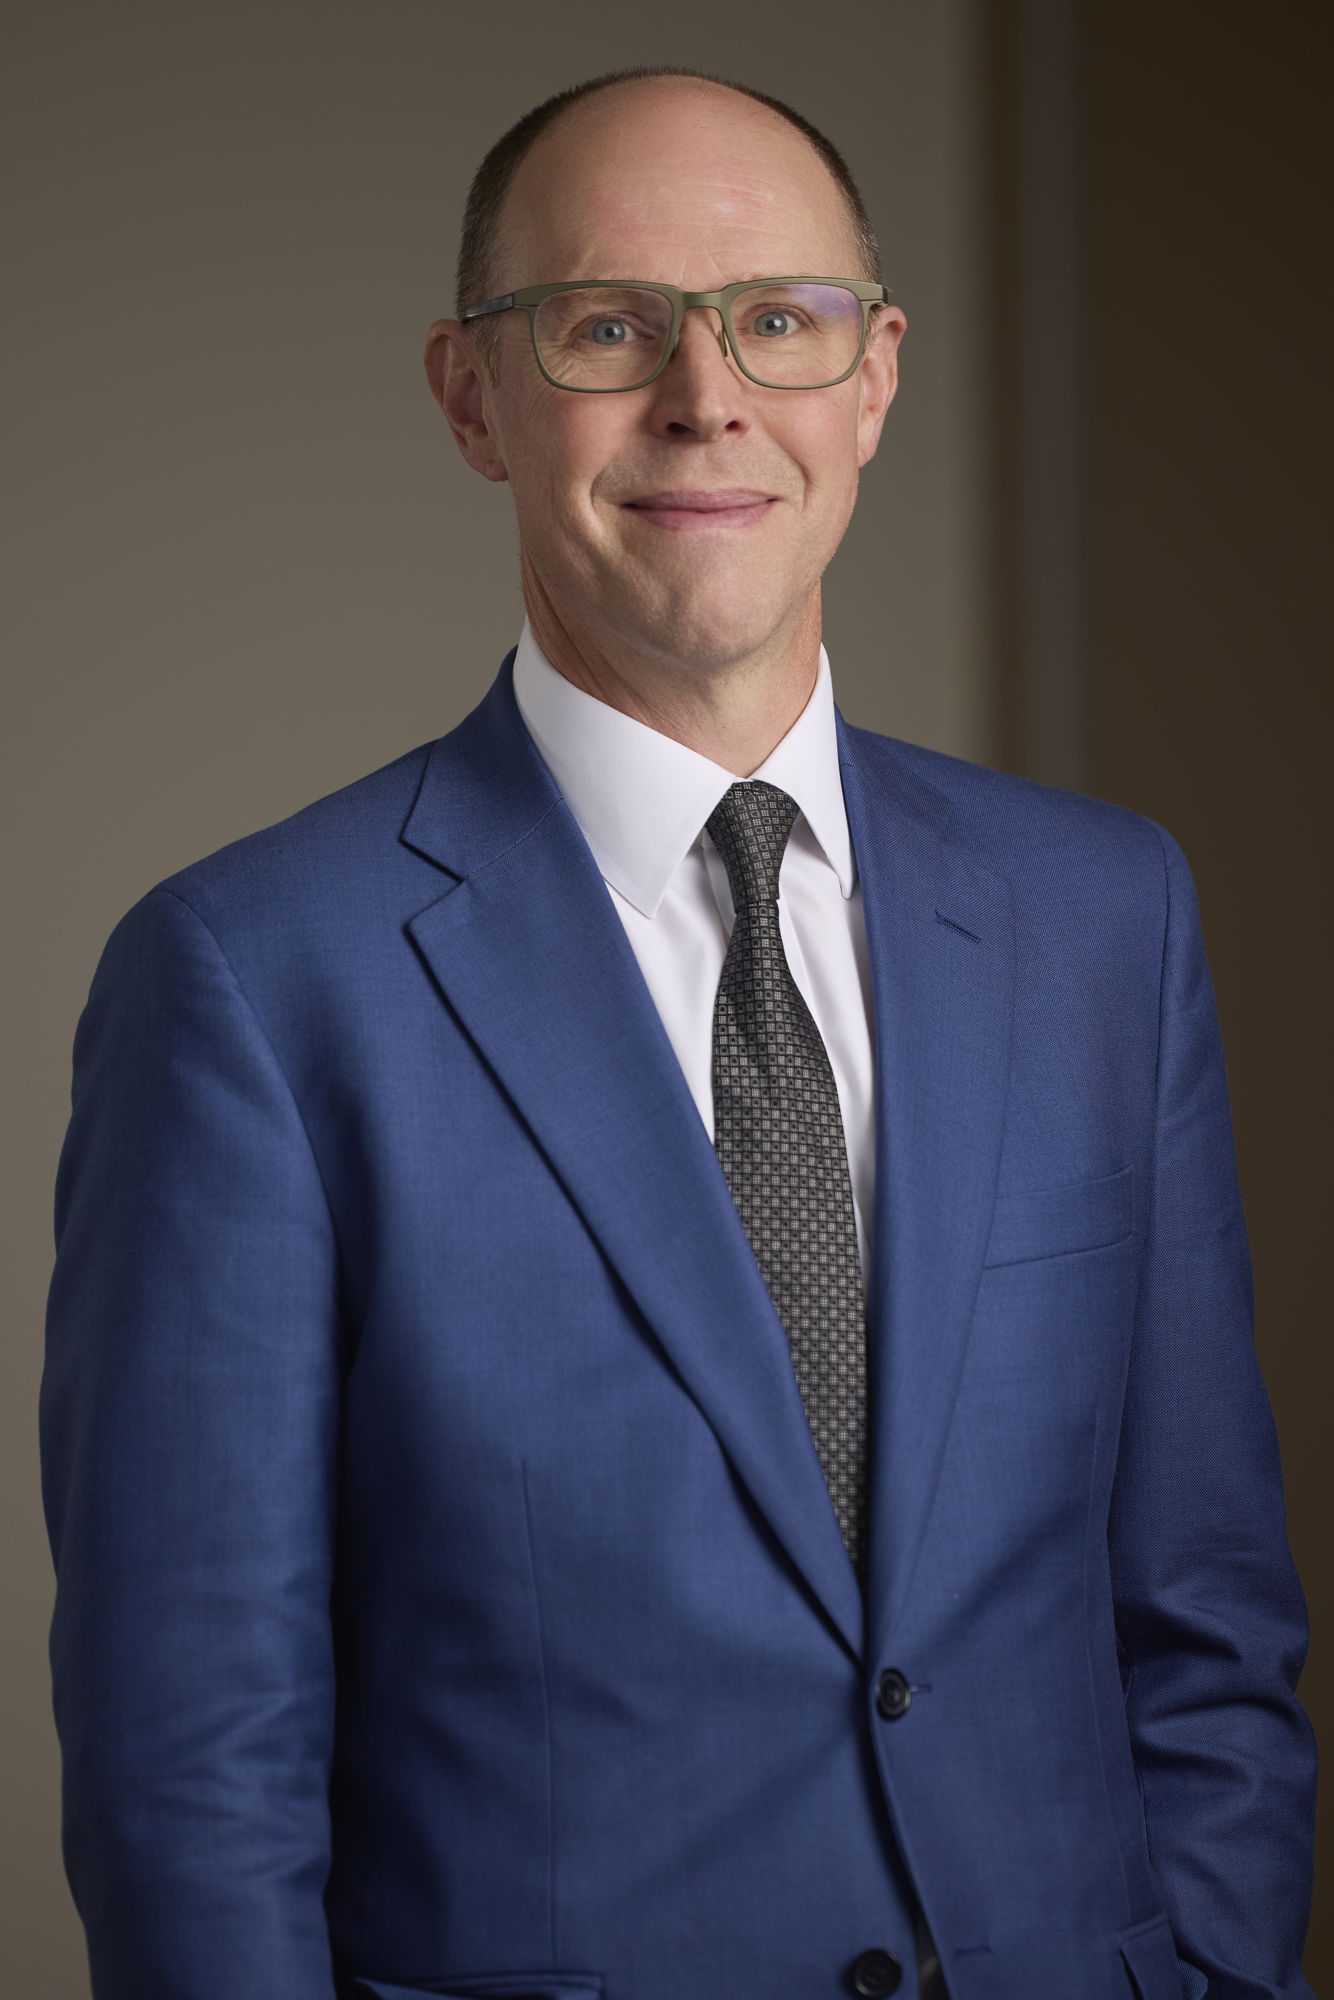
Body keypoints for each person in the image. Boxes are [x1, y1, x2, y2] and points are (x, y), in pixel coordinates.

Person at [40, 66, 1315, 2000]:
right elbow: (187, 1772)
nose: (705, 398)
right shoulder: (246, 982)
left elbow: (1202, 1621)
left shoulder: (1101, 917)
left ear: (874, 379)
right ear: (474, 397)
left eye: (778, 324)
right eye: (607, 325)